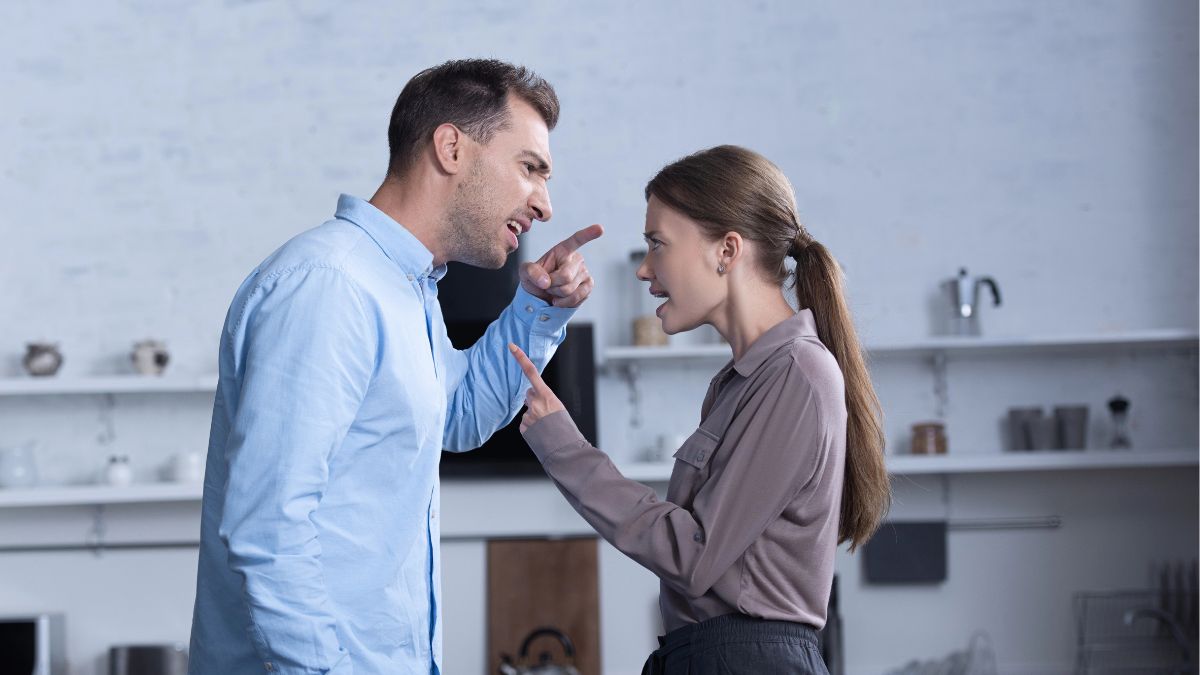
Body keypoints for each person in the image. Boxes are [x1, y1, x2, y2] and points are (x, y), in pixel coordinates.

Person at [189, 59, 602, 675]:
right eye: (530, 168)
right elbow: (267, 528)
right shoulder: (330, 286)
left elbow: (457, 417)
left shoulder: (404, 287)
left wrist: (536, 310)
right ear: (451, 147)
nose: (544, 204)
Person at [508, 145, 890, 674]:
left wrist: (565, 448)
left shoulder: (796, 374)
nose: (644, 270)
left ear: (727, 251)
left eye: (657, 244)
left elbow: (693, 555)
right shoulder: (739, 384)